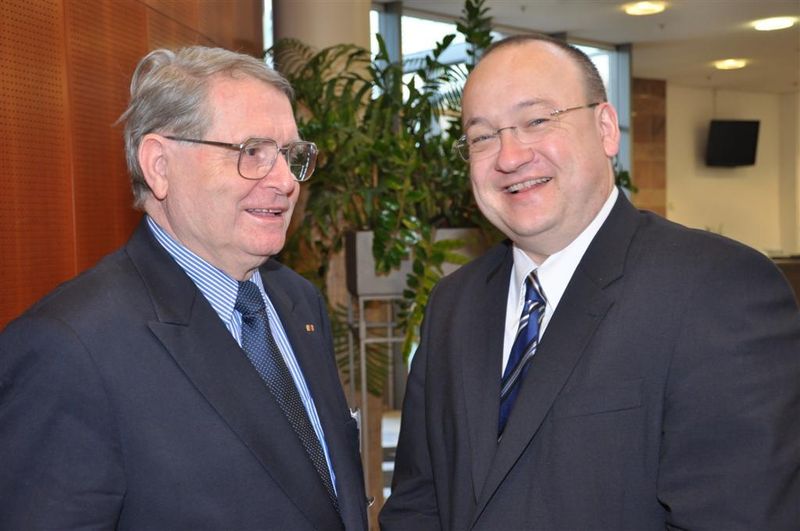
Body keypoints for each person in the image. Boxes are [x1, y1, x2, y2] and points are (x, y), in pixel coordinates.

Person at [380, 34, 800, 530]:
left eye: (536, 121)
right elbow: (417, 504)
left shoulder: (718, 289)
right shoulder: (453, 303)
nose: (509, 156)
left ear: (605, 128)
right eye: (482, 136)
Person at [0, 46, 368, 530]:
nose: (285, 181)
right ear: (158, 165)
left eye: (290, 156)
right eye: (251, 151)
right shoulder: (69, 348)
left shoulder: (298, 300)